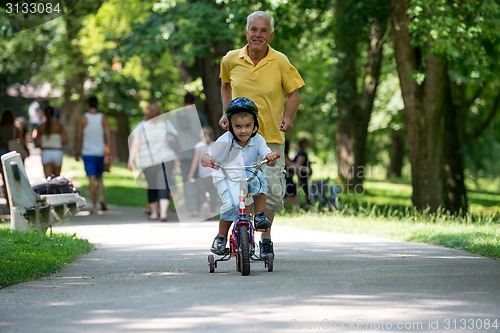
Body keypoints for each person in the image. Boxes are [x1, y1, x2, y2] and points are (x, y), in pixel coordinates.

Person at [218, 10, 305, 258]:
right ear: (246, 32)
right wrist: (226, 113)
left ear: (271, 35)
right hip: (238, 139)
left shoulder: (280, 61)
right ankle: (236, 236)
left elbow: (294, 92)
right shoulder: (230, 59)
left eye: (263, 30)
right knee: (236, 189)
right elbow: (225, 85)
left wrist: (288, 117)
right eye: (253, 29)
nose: (258, 34)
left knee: (271, 191)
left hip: (270, 139)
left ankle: (265, 240)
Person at [202, 98, 279, 255]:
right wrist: (208, 159)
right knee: (231, 206)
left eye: (247, 126)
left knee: (260, 178)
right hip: (226, 176)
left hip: (247, 172)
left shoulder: (258, 139)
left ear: (254, 125)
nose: (243, 131)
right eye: (238, 126)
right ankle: (221, 237)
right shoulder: (224, 140)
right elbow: (206, 157)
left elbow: (267, 156)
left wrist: (270, 157)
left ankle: (260, 215)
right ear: (230, 125)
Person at [128, 102, 177, 221]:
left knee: (152, 186)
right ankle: (164, 213)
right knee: (163, 185)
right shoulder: (166, 124)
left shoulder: (141, 126)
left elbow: (135, 144)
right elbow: (175, 139)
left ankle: (154, 213)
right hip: (167, 158)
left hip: (148, 161)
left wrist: (131, 159)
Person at [171, 92, 207, 217]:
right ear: (194, 101)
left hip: (183, 152)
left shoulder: (177, 115)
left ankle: (192, 209)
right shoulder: (200, 115)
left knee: (187, 180)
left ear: (183, 102)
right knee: (200, 180)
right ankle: (203, 206)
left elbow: (172, 136)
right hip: (200, 152)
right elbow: (205, 132)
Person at [74, 96, 112, 214]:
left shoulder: (83, 119)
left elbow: (79, 137)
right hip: (100, 152)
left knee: (91, 179)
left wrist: (77, 151)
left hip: (87, 152)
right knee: (100, 178)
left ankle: (94, 207)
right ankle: (102, 198)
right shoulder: (102, 118)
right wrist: (108, 151)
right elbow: (108, 135)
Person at [188, 126, 218, 216]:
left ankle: (205, 203)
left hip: (203, 175)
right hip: (214, 174)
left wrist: (191, 174)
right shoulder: (215, 145)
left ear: (203, 134)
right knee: (213, 193)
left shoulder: (198, 146)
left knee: (202, 192)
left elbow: (195, 161)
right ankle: (212, 212)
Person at [33, 106, 69, 177]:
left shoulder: (40, 127)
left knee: (48, 179)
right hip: (57, 152)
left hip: (46, 152)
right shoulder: (59, 126)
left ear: (44, 114)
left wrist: (42, 146)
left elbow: (36, 141)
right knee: (57, 178)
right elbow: (65, 140)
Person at [0, 109, 26, 208]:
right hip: (12, 154)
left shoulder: (0, 128)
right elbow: (22, 142)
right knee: (14, 179)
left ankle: (8, 203)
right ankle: (15, 202)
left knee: (4, 179)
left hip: (1, 153)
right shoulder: (16, 128)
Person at [294, 137, 312, 208]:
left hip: (304, 177)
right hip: (303, 177)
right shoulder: (301, 153)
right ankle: (304, 206)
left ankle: (306, 205)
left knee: (306, 192)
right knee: (305, 193)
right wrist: (299, 178)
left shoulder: (302, 152)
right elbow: (298, 166)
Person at [284, 139, 299, 211]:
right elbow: (290, 165)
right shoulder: (283, 154)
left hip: (288, 178)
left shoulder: (285, 154)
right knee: (290, 196)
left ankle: (295, 209)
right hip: (286, 178)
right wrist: (301, 168)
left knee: (294, 195)